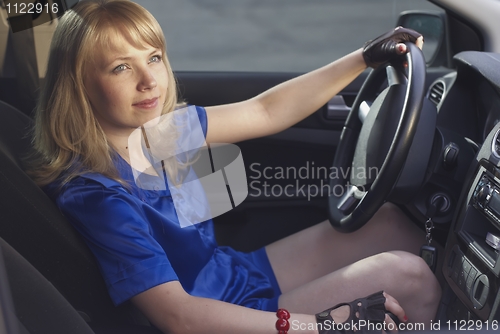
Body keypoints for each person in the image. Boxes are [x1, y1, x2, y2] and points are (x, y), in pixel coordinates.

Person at [28, 0, 441, 333]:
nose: (149, 80)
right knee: (410, 277)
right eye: (121, 67)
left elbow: (265, 110)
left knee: (391, 223)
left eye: (153, 58)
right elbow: (180, 318)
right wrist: (320, 325)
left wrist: (363, 58)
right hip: (215, 315)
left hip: (229, 275)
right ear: (80, 85)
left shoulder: (162, 131)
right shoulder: (97, 195)